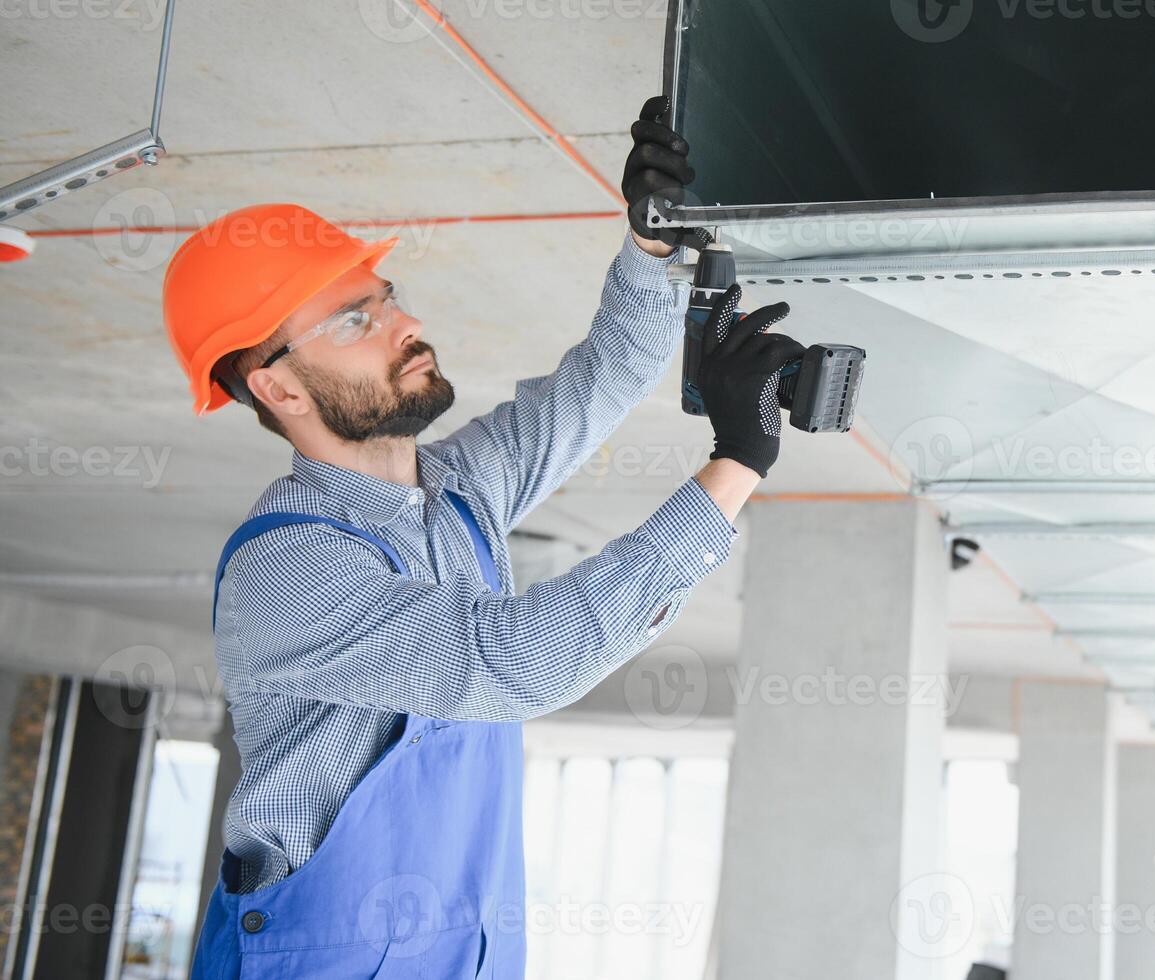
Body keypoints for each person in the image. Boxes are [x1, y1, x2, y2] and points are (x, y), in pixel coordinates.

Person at [163, 95, 805, 979]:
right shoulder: (287, 569)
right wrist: (735, 464)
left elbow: (604, 376)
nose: (405, 325)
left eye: (384, 301)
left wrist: (650, 242)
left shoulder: (457, 491)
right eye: (355, 321)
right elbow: (515, 664)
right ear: (278, 390)